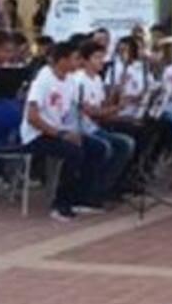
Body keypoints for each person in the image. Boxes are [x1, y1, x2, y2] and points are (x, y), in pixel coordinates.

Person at [20, 42, 107, 221]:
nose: (79, 62)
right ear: (62, 60)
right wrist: (60, 134)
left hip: (58, 130)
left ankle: (83, 198)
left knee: (98, 148)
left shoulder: (70, 81)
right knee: (74, 152)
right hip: (37, 135)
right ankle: (60, 204)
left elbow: (75, 110)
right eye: (75, 58)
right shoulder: (43, 81)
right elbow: (32, 117)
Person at [75, 40, 134, 203]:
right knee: (106, 147)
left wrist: (117, 90)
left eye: (102, 57)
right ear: (85, 60)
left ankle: (106, 188)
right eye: (97, 57)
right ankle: (90, 193)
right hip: (81, 129)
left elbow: (103, 106)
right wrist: (118, 108)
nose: (101, 61)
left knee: (126, 142)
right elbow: (93, 113)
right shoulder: (79, 80)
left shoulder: (97, 80)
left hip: (94, 128)